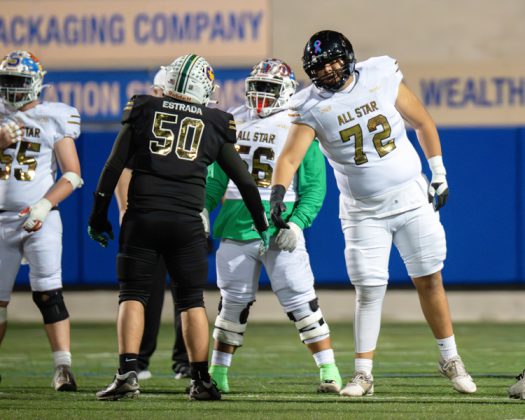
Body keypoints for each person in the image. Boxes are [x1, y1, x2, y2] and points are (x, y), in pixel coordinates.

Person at [270, 30, 477, 397]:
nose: (329, 70)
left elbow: (423, 122)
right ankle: (363, 374)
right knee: (368, 290)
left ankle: (451, 358)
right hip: (362, 210)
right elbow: (289, 158)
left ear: (348, 57)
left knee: (430, 279)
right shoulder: (310, 105)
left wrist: (439, 172)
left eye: (333, 61)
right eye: (320, 66)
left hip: (410, 196)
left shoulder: (379, 74)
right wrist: (277, 194)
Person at [87, 54, 269, 401]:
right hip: (187, 222)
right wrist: (262, 223)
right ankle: (200, 379)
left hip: (143, 217)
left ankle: (127, 374)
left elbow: (112, 168)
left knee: (132, 295)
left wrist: (98, 215)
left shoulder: (143, 108)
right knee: (191, 300)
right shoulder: (215, 121)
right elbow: (245, 181)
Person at [205, 58, 342, 394]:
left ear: (287, 91)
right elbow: (216, 178)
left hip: (279, 225)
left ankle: (329, 369)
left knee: (301, 300)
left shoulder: (300, 120)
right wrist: (201, 208)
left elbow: (314, 187)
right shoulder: (232, 119)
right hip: (236, 224)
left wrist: (297, 224)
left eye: (270, 87)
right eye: (258, 87)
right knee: (231, 303)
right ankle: (217, 372)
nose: (262, 94)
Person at [0, 50, 82, 391]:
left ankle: (63, 367)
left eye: (18, 81)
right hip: (0, 220)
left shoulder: (54, 116)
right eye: (7, 80)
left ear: (35, 83)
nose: (12, 88)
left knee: (48, 293)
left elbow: (72, 174)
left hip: (41, 217)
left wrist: (44, 205)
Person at [114, 67, 190, 381]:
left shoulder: (196, 124)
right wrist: (124, 209)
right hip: (151, 215)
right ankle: (139, 359)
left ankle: (186, 360)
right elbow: (123, 168)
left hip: (183, 215)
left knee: (187, 293)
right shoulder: (146, 120)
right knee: (145, 290)